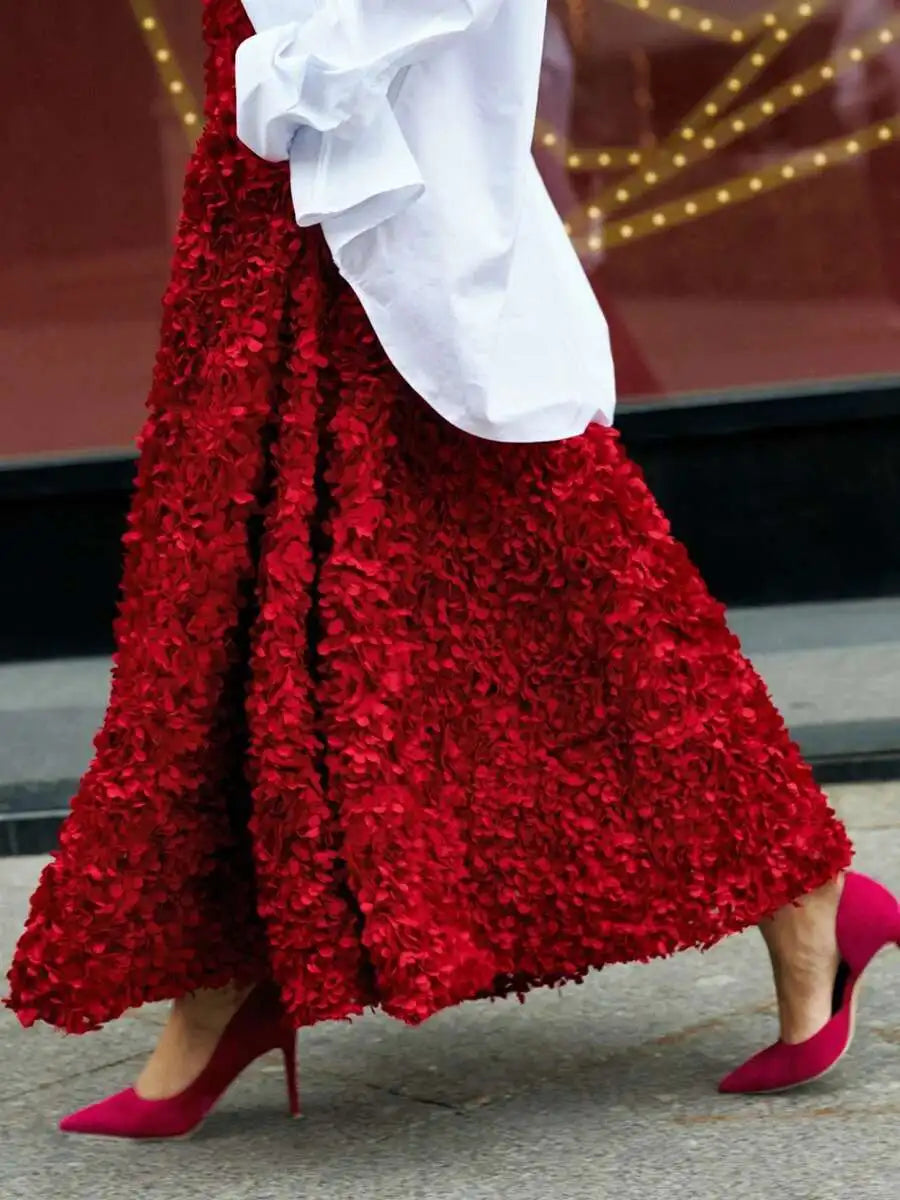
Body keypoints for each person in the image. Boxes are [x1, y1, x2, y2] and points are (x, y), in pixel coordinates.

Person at [5, 0, 897, 1140]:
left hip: (351, 170)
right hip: (271, 194)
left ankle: (799, 885)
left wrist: (297, 72)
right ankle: (228, 975)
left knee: (543, 559)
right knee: (229, 592)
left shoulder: (303, 87)